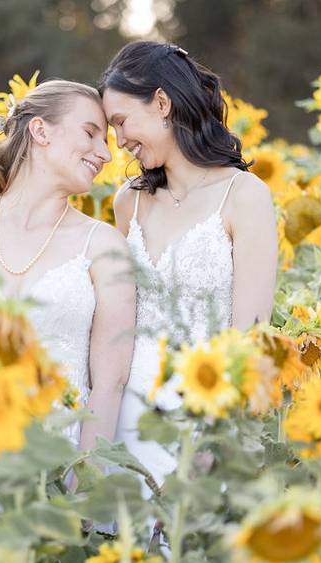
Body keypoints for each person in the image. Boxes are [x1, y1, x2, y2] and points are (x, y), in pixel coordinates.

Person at [0, 80, 135, 451]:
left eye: (108, 141)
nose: (105, 154)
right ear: (40, 130)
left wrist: (84, 485)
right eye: (91, 133)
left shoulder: (103, 246)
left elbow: (110, 384)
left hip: (53, 466)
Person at [99, 42, 278, 487]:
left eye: (121, 122)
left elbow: (251, 339)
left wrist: (218, 445)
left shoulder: (244, 195)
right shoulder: (129, 203)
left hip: (202, 426)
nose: (118, 140)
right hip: (124, 423)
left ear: (161, 103)